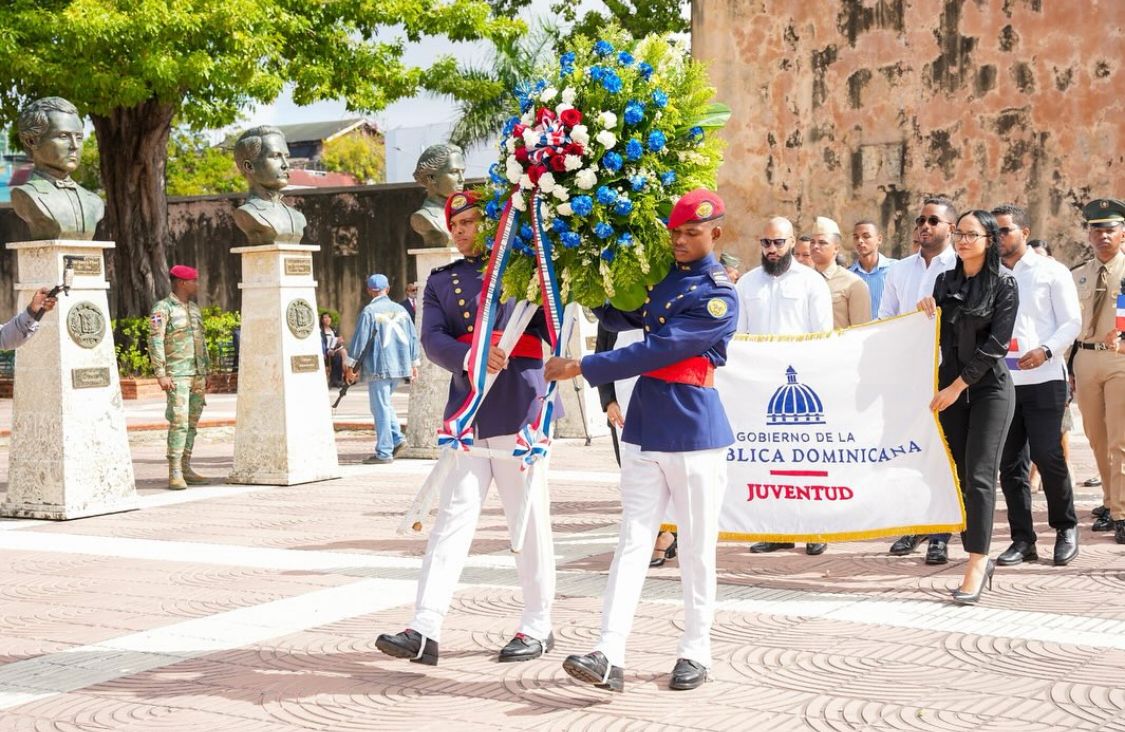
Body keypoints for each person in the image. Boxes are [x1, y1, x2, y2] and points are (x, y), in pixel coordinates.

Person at [546, 189, 737, 692]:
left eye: (691, 233)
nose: (679, 240)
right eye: (674, 232)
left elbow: (659, 349)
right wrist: (586, 275)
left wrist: (581, 365)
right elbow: (626, 316)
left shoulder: (719, 294)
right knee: (632, 542)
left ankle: (696, 650)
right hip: (646, 426)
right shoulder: (667, 281)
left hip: (694, 431)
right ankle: (608, 651)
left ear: (715, 233)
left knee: (696, 549)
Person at [375, 191, 556, 666]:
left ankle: (538, 624)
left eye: (471, 222)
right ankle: (424, 627)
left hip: (519, 404)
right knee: (452, 521)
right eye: (454, 224)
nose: (460, 231)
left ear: (491, 224)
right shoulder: (441, 281)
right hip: (470, 409)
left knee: (528, 522)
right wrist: (471, 355)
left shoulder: (525, 269)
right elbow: (433, 339)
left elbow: (548, 323)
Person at [919, 209, 1017, 603]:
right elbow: (937, 336)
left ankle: (977, 560)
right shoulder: (945, 281)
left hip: (988, 390)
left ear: (989, 241)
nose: (962, 241)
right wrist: (926, 313)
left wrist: (958, 386)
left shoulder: (1005, 284)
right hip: (951, 391)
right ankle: (970, 547)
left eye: (971, 235)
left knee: (979, 476)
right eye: (959, 233)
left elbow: (996, 345)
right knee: (956, 474)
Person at [736, 216, 832, 556]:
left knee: (807, 460)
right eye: (766, 243)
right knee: (772, 463)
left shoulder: (811, 282)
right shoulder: (746, 284)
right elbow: (739, 338)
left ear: (792, 243)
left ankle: (815, 529)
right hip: (763, 389)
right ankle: (778, 530)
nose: (772, 249)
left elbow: (823, 336)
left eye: (778, 243)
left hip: (803, 388)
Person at [992, 204, 1081, 567]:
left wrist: (1046, 351)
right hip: (1002, 382)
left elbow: (1072, 322)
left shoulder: (1050, 271)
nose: (999, 238)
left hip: (1044, 379)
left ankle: (1065, 528)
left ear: (1024, 232)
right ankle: (1022, 539)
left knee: (1048, 455)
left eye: (1005, 230)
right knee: (1011, 465)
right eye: (994, 232)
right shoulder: (988, 274)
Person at [881, 197, 959, 563]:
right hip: (908, 374)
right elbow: (886, 318)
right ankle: (914, 524)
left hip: (947, 373)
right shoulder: (899, 270)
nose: (924, 226)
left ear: (951, 228)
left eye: (933, 220)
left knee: (944, 453)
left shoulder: (961, 267)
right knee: (911, 451)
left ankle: (941, 534)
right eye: (920, 220)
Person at [594, 323, 677, 567]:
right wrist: (608, 401)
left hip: (665, 403)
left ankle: (666, 534)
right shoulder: (612, 310)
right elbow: (602, 355)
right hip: (623, 408)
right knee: (635, 478)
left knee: (669, 474)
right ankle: (653, 535)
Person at [1069, 198, 1125, 543]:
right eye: (1096, 229)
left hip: (1120, 358)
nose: (1102, 235)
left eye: (1110, 229)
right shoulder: (1077, 275)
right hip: (1085, 358)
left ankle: (1121, 511)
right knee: (1096, 437)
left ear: (1123, 233)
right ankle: (1109, 500)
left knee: (1121, 438)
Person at [148, 265, 211, 490]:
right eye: (194, 281)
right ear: (182, 283)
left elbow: (201, 342)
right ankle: (174, 470)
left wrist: (206, 370)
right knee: (179, 422)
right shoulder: (163, 308)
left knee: (192, 423)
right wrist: (161, 373)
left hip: (197, 375)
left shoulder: (194, 309)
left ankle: (186, 466)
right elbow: (155, 340)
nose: (197, 284)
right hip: (177, 374)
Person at [344, 274, 418, 465]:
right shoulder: (401, 310)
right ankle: (398, 440)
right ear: (388, 289)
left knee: (380, 407)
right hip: (400, 365)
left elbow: (360, 341)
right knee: (383, 405)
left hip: (380, 365)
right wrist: (413, 363)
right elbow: (413, 337)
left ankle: (384, 452)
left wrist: (351, 367)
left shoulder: (370, 311)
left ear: (369, 290)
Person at [10, 97, 104, 240]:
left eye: (78, 137)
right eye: (63, 136)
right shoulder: (27, 195)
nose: (75, 146)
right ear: (32, 141)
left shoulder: (94, 202)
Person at [231, 126, 307, 245]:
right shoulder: (248, 213)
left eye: (286, 157)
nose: (286, 165)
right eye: (276, 156)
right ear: (249, 166)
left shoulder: (297, 217)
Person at [810, 216, 871, 329]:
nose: (815, 247)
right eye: (812, 242)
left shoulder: (853, 284)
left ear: (836, 249)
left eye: (822, 243)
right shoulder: (804, 280)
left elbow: (861, 331)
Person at [410, 143, 466, 247]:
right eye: (454, 172)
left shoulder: (463, 213)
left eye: (463, 172)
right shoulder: (423, 217)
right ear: (432, 178)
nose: (462, 179)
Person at [849, 220, 896, 318]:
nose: (860, 241)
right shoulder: (848, 276)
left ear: (879, 239)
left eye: (866, 236)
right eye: (856, 237)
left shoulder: (896, 269)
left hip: (890, 331)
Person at [319, 312, 347, 388]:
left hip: (335, 348)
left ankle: (339, 378)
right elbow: (321, 343)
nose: (327, 319)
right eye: (325, 317)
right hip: (326, 350)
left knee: (341, 353)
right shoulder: (320, 331)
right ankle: (335, 379)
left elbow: (338, 338)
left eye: (329, 317)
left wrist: (340, 340)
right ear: (322, 320)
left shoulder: (333, 329)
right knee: (337, 356)